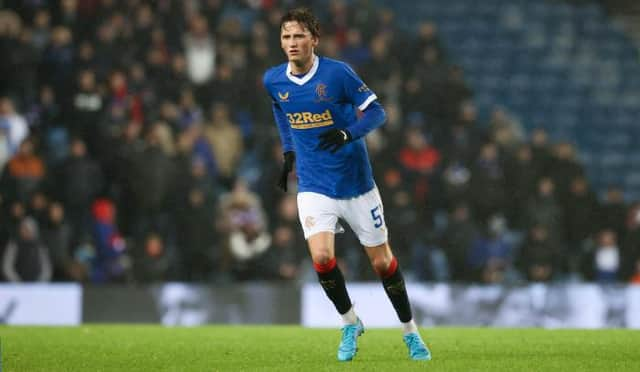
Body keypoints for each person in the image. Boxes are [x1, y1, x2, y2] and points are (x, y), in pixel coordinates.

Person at [262, 8, 431, 362]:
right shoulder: (273, 80)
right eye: (286, 36)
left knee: (382, 264)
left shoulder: (337, 74)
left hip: (356, 184)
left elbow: (377, 112)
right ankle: (349, 321)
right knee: (322, 258)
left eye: (298, 36)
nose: (291, 43)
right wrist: (289, 152)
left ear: (314, 39)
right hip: (313, 185)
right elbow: (280, 110)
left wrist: (347, 133)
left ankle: (410, 331)